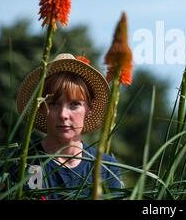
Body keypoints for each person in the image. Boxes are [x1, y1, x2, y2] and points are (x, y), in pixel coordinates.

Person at [14, 53, 124, 199]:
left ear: (89, 109)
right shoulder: (21, 161)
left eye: (74, 104)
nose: (63, 115)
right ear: (41, 108)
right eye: (53, 104)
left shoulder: (106, 167)